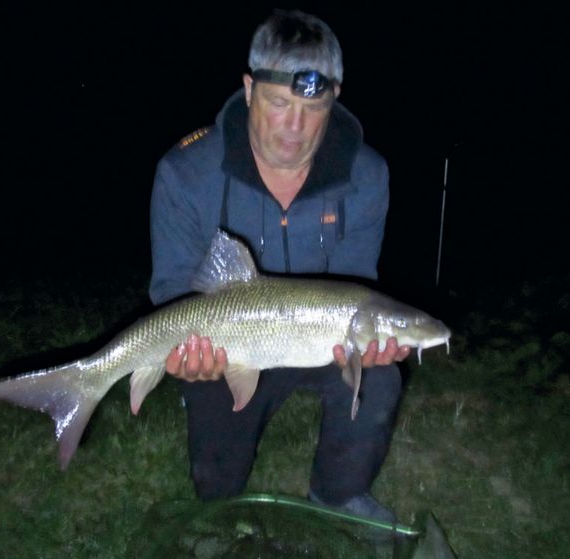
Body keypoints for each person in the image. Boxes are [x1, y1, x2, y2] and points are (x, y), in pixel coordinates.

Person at [148, 9, 410, 521]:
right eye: (278, 103)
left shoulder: (367, 174)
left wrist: (377, 344)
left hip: (321, 339)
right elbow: (174, 292)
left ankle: (338, 495)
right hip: (229, 342)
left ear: (335, 98)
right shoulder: (185, 173)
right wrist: (185, 357)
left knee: (381, 378)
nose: (295, 127)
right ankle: (220, 508)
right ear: (248, 91)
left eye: (313, 107)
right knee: (217, 487)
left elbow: (356, 283)